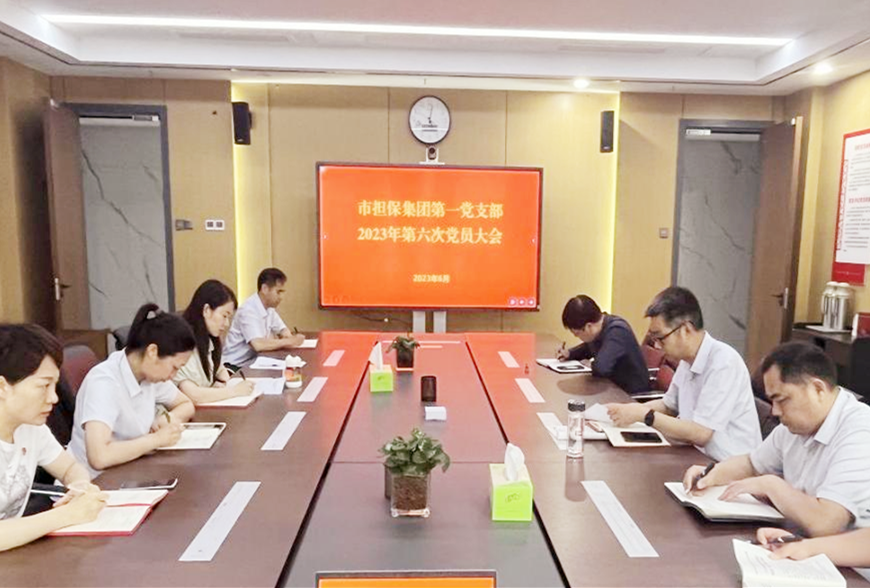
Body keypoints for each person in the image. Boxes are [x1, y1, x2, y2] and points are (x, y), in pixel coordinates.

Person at [683, 341, 870, 538]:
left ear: (817, 389)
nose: (775, 411)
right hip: (800, 540)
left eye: (781, 400)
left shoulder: (860, 432)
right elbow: (752, 464)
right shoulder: (796, 426)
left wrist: (772, 485)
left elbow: (826, 524)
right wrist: (711, 474)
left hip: (843, 556)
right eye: (772, 401)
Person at [607, 286, 760, 461]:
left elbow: (701, 433)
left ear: (685, 329)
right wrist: (626, 410)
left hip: (727, 465)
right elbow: (668, 406)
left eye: (660, 338)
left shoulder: (724, 363)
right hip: (694, 455)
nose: (656, 346)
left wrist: (645, 415)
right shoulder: (687, 361)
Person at [0, 324, 107, 551]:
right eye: (44, 385)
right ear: (3, 387)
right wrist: (66, 515)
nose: (54, 398)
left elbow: (69, 468)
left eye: (55, 386)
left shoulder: (30, 428)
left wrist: (79, 486)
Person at [69, 304, 196, 479]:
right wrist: (156, 440)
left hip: (132, 473)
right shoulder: (104, 382)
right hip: (93, 482)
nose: (172, 376)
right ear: (152, 352)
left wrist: (168, 419)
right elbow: (99, 457)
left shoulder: (149, 374)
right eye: (174, 367)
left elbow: (186, 404)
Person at [175, 280, 254, 404]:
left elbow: (219, 369)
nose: (227, 324)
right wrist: (234, 391)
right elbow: (193, 394)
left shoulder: (208, 338)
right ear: (206, 310)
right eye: (224, 316)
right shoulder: (182, 341)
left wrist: (223, 382)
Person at [556, 295, 649, 395]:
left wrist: (591, 364)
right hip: (611, 388)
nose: (577, 337)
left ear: (588, 326)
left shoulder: (617, 331)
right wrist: (569, 353)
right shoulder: (600, 328)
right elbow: (588, 348)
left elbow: (601, 368)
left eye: (577, 334)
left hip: (630, 395)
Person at [223, 268, 305, 366]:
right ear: (265, 289)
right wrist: (289, 341)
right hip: (235, 366)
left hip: (253, 361)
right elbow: (258, 344)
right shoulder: (248, 310)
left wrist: (288, 336)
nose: (281, 297)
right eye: (278, 292)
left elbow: (283, 330)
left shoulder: (269, 308)